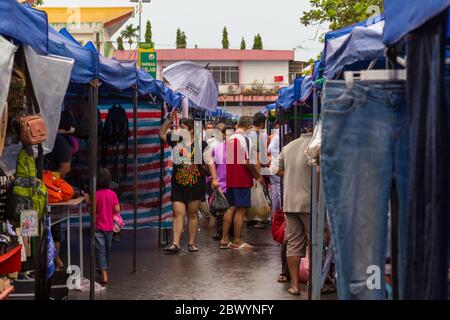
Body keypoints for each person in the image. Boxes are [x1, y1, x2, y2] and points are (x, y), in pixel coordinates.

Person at [160, 111, 219, 253]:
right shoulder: (175, 139)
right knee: (178, 213)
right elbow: (161, 134)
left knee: (192, 214)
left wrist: (215, 179)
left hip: (196, 183)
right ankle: (175, 243)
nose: (180, 129)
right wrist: (168, 121)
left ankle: (192, 243)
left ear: (192, 130)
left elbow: (210, 162)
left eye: (183, 127)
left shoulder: (201, 144)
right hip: (178, 183)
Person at [272, 128, 313, 296]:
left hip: (290, 202)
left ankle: (294, 285)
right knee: (316, 243)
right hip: (310, 203)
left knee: (293, 245)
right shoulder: (316, 146)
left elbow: (275, 169)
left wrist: (291, 175)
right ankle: (318, 282)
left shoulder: (288, 147)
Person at [220, 116, 262, 249]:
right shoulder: (245, 139)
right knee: (240, 211)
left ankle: (224, 239)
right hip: (242, 179)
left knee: (230, 208)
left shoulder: (230, 139)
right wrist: (256, 175)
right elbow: (246, 161)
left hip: (231, 178)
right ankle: (237, 240)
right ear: (249, 127)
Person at [94, 167, 120, 286]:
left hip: (98, 227)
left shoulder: (96, 195)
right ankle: (104, 270)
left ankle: (103, 273)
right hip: (109, 227)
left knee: (100, 250)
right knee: (107, 250)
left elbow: (93, 211)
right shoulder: (113, 194)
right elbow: (117, 209)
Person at [247, 112, 268, 229]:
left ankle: (250, 218)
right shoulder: (255, 136)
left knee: (252, 195)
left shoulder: (248, 133)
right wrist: (258, 175)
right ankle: (257, 218)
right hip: (253, 169)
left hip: (247, 169)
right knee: (257, 195)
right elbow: (257, 157)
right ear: (261, 124)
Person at [210, 123, 228, 240]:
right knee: (220, 207)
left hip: (229, 181)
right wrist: (213, 179)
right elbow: (211, 164)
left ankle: (226, 231)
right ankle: (219, 230)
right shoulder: (214, 146)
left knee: (228, 207)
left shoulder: (229, 146)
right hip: (220, 181)